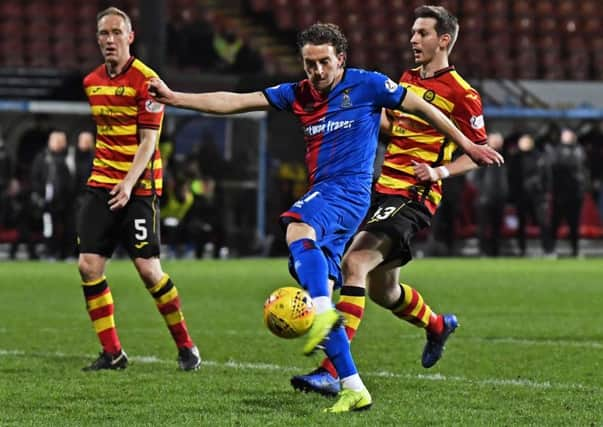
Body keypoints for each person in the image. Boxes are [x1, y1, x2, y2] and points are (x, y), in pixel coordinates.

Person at [149, 22, 502, 412]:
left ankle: (320, 310)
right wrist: (175, 98)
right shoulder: (297, 94)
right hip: (347, 195)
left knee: (299, 227)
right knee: (355, 282)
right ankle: (352, 384)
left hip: (349, 191)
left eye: (323, 63)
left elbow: (419, 105)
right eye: (309, 64)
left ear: (341, 60)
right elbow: (235, 101)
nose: (316, 72)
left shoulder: (367, 84)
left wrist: (466, 144)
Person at [290, 6, 503, 396]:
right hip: (383, 188)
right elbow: (395, 128)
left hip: (413, 194)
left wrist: (439, 172)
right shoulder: (406, 79)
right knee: (383, 290)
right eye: (412, 32)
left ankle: (333, 371)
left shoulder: (462, 92)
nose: (412, 39)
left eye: (421, 33)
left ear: (444, 40)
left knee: (355, 262)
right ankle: (438, 325)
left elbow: (477, 153)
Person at [77, 7, 200, 372]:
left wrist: (128, 184)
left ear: (130, 37)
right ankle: (113, 353)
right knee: (88, 265)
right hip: (102, 184)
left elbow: (149, 142)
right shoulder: (91, 82)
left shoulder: (147, 80)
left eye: (117, 32)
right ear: (98, 39)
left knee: (149, 271)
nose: (110, 39)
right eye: (104, 33)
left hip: (139, 187)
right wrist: (112, 180)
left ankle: (186, 347)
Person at [30, 130, 75, 260]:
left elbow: (74, 177)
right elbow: (35, 178)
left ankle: (67, 254)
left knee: (69, 228)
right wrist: (40, 195)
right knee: (49, 228)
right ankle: (50, 253)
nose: (58, 143)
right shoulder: (42, 157)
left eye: (61, 141)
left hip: (68, 200)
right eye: (55, 140)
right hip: (48, 201)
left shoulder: (69, 157)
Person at [508, 132, 554, 256]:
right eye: (523, 142)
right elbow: (511, 178)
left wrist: (545, 191)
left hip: (537, 195)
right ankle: (521, 249)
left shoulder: (540, 157)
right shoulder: (515, 158)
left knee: (543, 222)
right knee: (521, 223)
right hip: (521, 195)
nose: (525, 144)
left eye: (527, 141)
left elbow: (546, 176)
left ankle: (548, 249)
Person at [550, 128, 588, 257]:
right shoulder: (556, 151)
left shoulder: (579, 150)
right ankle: (551, 250)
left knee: (574, 224)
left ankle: (575, 251)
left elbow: (583, 170)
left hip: (575, 194)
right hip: (560, 193)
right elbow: (554, 170)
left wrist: (582, 188)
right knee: (555, 223)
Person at [474, 132, 509, 256]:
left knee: (497, 227)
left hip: (500, 197)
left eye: (499, 141)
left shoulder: (506, 157)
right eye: (494, 141)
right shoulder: (481, 156)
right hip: (485, 198)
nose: (497, 143)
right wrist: (483, 191)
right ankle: (483, 251)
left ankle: (495, 252)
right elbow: (474, 178)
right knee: (483, 227)